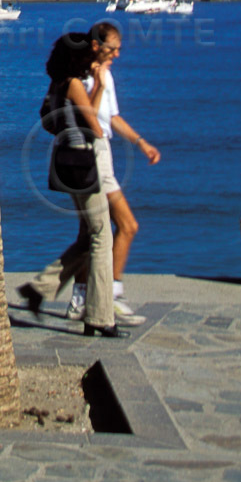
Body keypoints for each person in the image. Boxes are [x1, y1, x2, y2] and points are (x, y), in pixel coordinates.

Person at [17, 32, 126, 338]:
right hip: (84, 161)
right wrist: (101, 88)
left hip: (64, 160)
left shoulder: (56, 85)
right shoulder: (75, 84)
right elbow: (95, 126)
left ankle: (40, 288)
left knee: (92, 233)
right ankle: (100, 317)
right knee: (102, 235)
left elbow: (48, 122)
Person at [66, 21, 158, 326]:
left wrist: (141, 143)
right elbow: (87, 118)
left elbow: (112, 117)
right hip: (90, 156)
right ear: (96, 45)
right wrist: (99, 84)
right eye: (113, 48)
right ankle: (113, 295)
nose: (117, 54)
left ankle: (80, 297)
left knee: (89, 232)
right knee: (127, 225)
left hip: (102, 154)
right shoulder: (82, 78)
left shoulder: (106, 75)